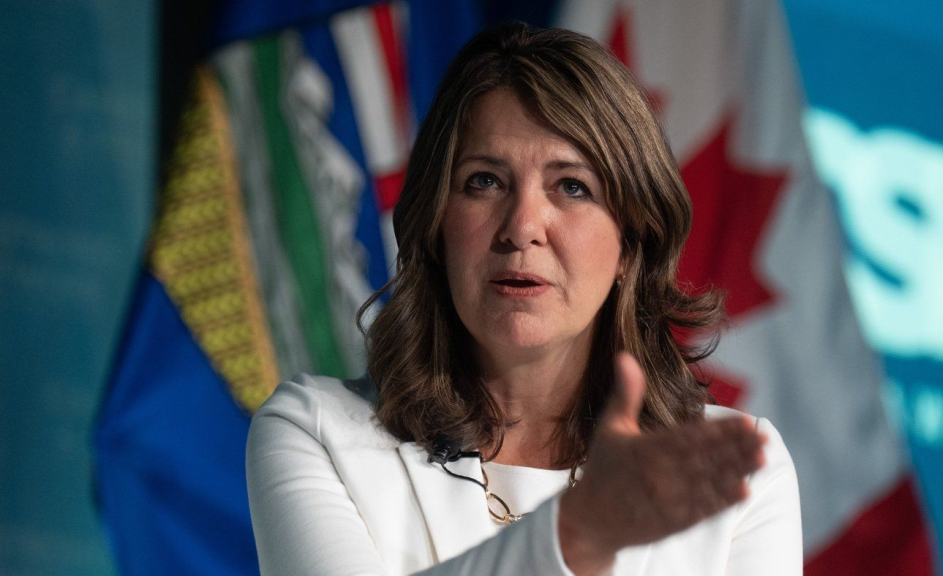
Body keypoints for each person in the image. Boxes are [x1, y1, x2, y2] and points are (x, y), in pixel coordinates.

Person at [246, 22, 802, 576]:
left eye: (572, 186)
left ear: (631, 245)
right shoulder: (315, 432)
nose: (522, 226)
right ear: (437, 224)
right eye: (485, 181)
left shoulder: (742, 475)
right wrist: (576, 535)